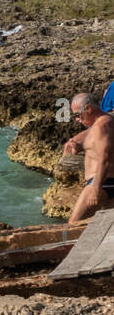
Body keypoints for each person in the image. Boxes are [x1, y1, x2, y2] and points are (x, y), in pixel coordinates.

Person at [66, 92, 114, 222]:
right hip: (106, 183)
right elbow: (96, 144)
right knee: (103, 226)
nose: (77, 119)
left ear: (88, 108)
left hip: (101, 183)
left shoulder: (102, 126)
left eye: (77, 114)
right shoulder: (103, 122)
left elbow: (105, 158)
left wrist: (96, 189)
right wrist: (77, 144)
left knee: (73, 225)